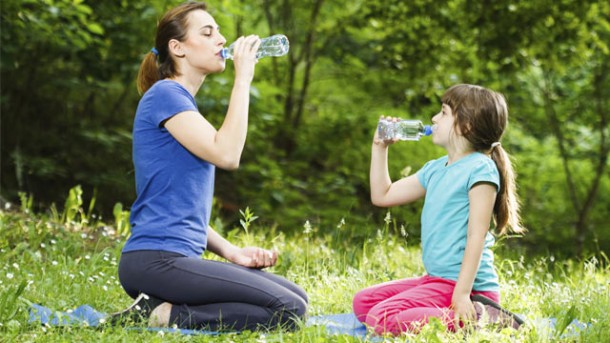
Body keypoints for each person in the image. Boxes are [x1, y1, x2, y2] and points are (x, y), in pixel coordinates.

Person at [109, 1, 307, 332]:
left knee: (295, 296)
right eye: (207, 32)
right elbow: (228, 155)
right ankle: (159, 315)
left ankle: (161, 306)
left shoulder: (182, 104)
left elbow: (182, 206)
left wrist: (232, 252)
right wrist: (243, 78)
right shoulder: (165, 96)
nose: (221, 39)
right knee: (289, 310)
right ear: (177, 48)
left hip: (175, 259)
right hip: (155, 259)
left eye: (219, 31)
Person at [353, 84, 525, 336]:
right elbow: (382, 195)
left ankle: (482, 318)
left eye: (444, 113)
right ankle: (457, 316)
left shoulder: (481, 169)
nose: (434, 118)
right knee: (363, 303)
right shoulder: (435, 168)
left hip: (467, 287)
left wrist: (463, 294)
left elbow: (476, 236)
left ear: (466, 126)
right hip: (438, 280)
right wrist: (380, 148)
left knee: (381, 318)